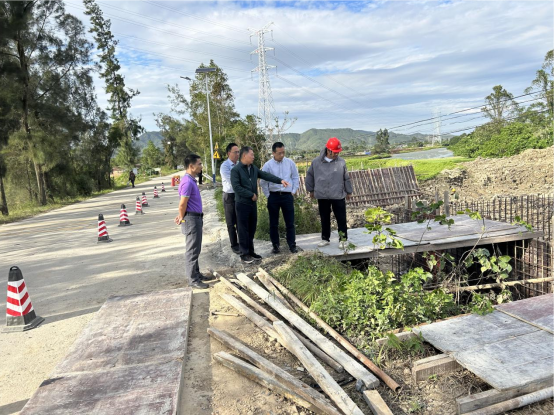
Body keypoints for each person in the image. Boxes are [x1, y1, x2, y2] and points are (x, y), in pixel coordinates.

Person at [231, 146, 290, 264]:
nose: (253, 157)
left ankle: (251, 251)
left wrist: (280, 180)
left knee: (252, 228)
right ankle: (244, 254)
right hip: (242, 204)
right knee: (243, 230)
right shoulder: (236, 170)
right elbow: (236, 187)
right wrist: (250, 194)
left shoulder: (253, 168)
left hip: (252, 204)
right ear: (244, 156)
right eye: (251, 155)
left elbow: (265, 175)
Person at [305, 137, 353, 250]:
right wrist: (311, 190)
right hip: (322, 195)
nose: (336, 154)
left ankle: (343, 240)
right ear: (328, 150)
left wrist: (349, 191)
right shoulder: (316, 162)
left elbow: (346, 178)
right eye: (335, 152)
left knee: (341, 218)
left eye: (338, 152)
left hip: (338, 194)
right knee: (324, 217)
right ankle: (325, 238)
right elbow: (310, 176)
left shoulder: (341, 162)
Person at [174, 154, 210, 290]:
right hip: (191, 219)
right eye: (199, 164)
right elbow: (182, 204)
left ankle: (196, 274)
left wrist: (180, 215)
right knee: (192, 249)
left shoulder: (191, 180)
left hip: (194, 217)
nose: (201, 166)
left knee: (196, 247)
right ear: (191, 166)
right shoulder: (187, 182)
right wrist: (181, 215)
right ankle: (193, 279)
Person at [261, 142, 301, 254]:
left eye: (283, 152)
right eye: (279, 153)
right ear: (273, 153)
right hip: (273, 196)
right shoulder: (268, 165)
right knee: (273, 223)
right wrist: (268, 195)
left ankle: (292, 245)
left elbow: (295, 177)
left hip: (287, 196)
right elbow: (263, 181)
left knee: (290, 222)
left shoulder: (290, 163)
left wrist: (293, 191)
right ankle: (275, 245)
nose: (282, 155)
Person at [220, 143, 241, 255]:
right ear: (229, 153)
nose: (238, 154)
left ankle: (242, 243)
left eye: (238, 152)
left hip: (239, 196)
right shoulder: (225, 166)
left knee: (239, 220)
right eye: (235, 152)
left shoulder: (239, 165)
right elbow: (232, 182)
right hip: (229, 196)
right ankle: (234, 244)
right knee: (230, 222)